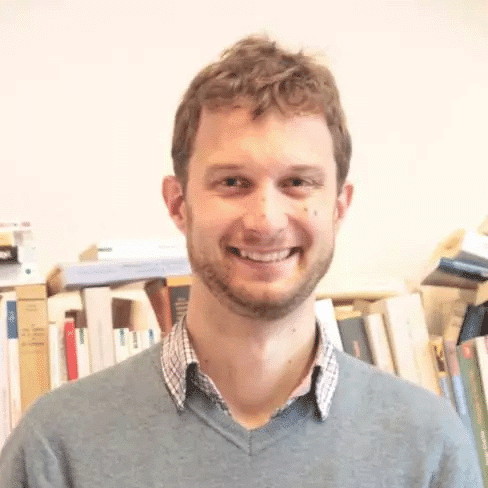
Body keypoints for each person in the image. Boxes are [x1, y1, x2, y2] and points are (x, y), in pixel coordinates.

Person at [0, 35, 482, 488]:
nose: (266, 221)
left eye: (297, 183)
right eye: (232, 182)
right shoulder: (57, 449)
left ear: (339, 206)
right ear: (178, 204)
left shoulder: (429, 450)